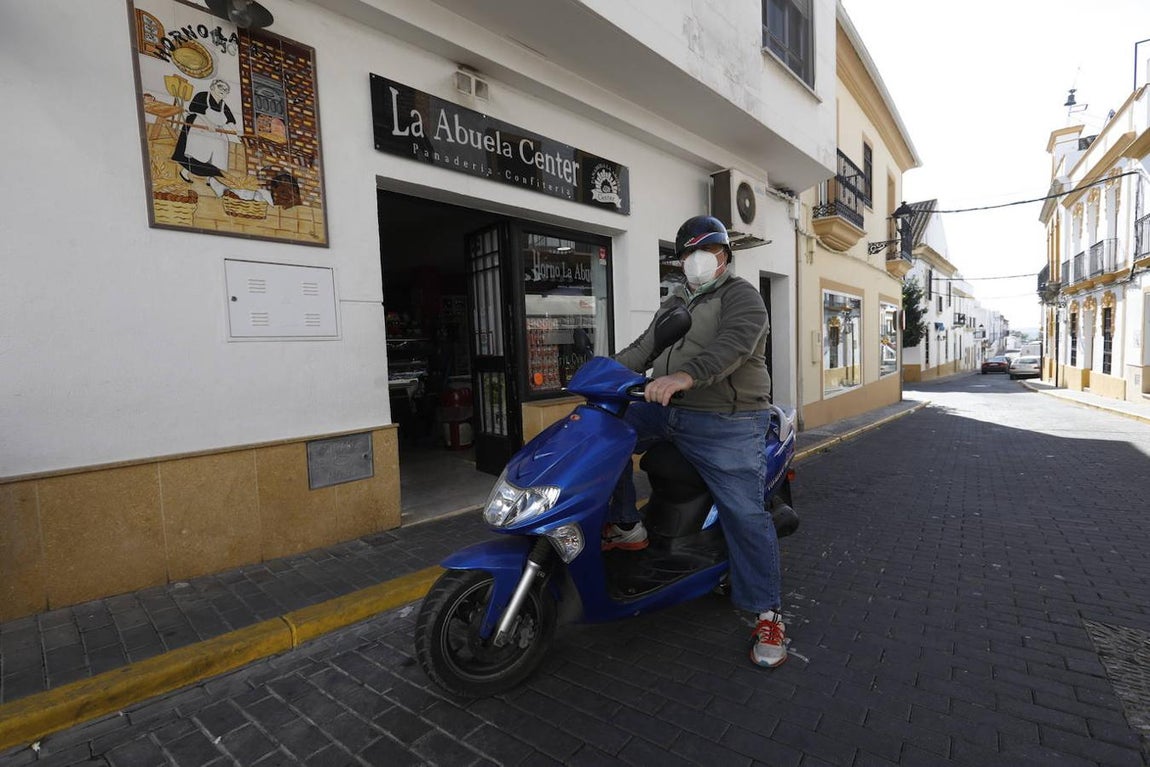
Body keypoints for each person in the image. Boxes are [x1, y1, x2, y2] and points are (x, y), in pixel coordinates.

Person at [604, 214, 786, 668]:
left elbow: (733, 347)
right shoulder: (675, 301)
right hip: (670, 410)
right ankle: (627, 525)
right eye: (688, 253)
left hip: (728, 418)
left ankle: (768, 613)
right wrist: (600, 373)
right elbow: (643, 348)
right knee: (603, 434)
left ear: (724, 255)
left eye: (706, 250)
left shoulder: (742, 296)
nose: (696, 259)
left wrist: (685, 376)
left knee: (744, 512)